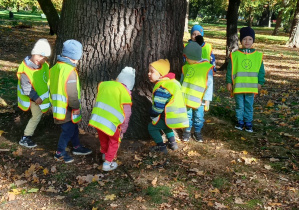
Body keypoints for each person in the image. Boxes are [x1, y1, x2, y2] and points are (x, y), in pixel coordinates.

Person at [49, 39, 92, 163]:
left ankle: (77, 146)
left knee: (73, 128)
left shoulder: (54, 68)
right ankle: (59, 152)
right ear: (73, 57)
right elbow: (72, 93)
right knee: (67, 131)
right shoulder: (70, 72)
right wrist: (76, 106)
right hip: (68, 108)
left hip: (58, 107)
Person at [89, 67, 135, 171]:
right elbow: (127, 113)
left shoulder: (105, 85)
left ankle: (104, 155)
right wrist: (123, 129)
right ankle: (108, 163)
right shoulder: (125, 92)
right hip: (113, 124)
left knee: (103, 139)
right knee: (114, 142)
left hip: (98, 120)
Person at [226, 26, 265, 133]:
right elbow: (230, 69)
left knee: (248, 105)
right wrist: (229, 81)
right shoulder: (235, 55)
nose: (247, 41)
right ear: (240, 40)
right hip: (238, 86)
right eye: (244, 39)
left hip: (251, 86)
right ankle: (240, 121)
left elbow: (261, 71)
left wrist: (260, 82)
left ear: (253, 40)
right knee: (240, 105)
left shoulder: (257, 55)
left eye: (250, 39)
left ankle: (248, 122)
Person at [148, 59, 189, 154]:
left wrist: (152, 113)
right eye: (149, 71)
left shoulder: (162, 87)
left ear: (161, 74)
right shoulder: (173, 82)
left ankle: (161, 147)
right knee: (167, 127)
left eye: (152, 72)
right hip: (177, 116)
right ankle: (173, 144)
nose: (149, 74)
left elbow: (158, 107)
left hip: (168, 115)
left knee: (152, 127)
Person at [17, 39, 51, 148]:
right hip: (34, 99)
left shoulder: (45, 65)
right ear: (33, 53)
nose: (41, 60)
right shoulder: (25, 69)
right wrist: (35, 97)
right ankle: (25, 137)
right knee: (36, 117)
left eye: (44, 58)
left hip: (44, 97)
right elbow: (26, 87)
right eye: (39, 56)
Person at [181, 42, 214, 142]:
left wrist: (207, 99)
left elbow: (209, 84)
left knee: (199, 117)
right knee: (187, 115)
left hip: (200, 100)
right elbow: (182, 82)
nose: (186, 60)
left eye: (187, 57)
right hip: (186, 99)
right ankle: (186, 131)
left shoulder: (206, 68)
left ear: (194, 56)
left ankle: (197, 132)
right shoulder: (186, 67)